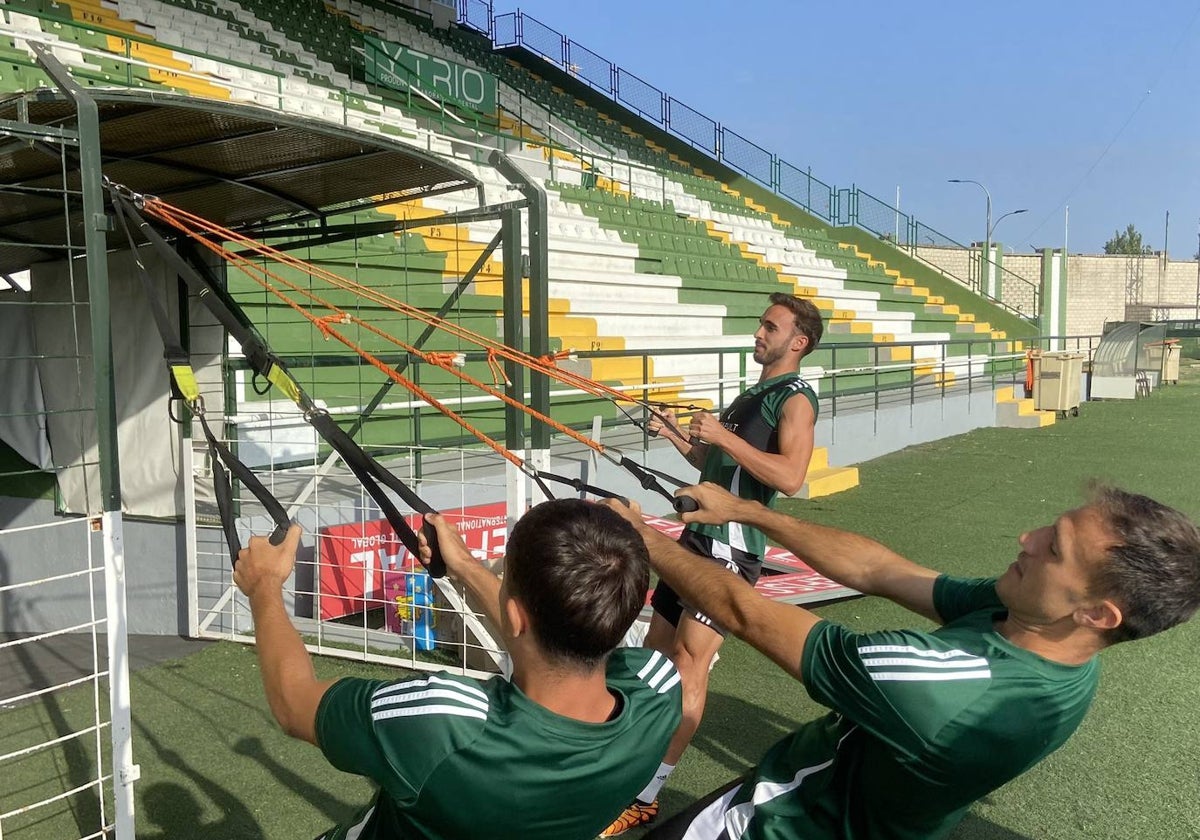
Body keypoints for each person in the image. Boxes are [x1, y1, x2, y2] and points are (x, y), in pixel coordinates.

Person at [603, 481, 1200, 840]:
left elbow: (746, 613)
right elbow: (881, 572)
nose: (1028, 536)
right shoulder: (1045, 633)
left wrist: (640, 536)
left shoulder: (950, 690)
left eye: (1055, 547)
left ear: (1097, 613)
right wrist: (747, 512)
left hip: (781, 821)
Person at [232, 499, 683, 840]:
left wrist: (264, 588)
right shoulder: (659, 695)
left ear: (516, 613)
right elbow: (549, 640)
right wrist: (464, 565)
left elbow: (294, 704)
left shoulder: (446, 723)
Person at [604, 292, 824, 836]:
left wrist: (722, 434)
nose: (758, 333)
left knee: (686, 665)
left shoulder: (796, 398)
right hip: (696, 538)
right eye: (760, 325)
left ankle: (648, 794)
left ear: (798, 341)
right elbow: (718, 464)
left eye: (769, 327)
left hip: (732, 549)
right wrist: (679, 437)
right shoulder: (754, 394)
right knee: (653, 658)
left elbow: (792, 477)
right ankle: (626, 765)